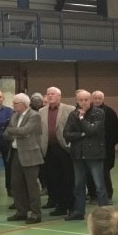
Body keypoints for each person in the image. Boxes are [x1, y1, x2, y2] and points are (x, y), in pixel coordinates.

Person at [64, 90, 109, 221]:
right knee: (78, 185)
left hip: (94, 155)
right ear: (77, 101)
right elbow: (66, 134)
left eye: (86, 100)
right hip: (78, 155)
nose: (83, 103)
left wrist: (82, 118)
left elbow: (92, 130)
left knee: (99, 186)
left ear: (91, 100)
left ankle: (104, 214)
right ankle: (79, 211)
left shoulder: (98, 113)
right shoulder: (73, 114)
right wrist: (81, 134)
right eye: (81, 100)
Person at [4, 93, 44, 224]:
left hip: (30, 155)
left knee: (32, 186)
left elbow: (25, 131)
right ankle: (21, 211)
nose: (13, 105)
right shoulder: (14, 116)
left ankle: (36, 213)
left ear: (23, 104)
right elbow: (6, 133)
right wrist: (16, 131)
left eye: (15, 103)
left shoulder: (34, 115)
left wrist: (13, 130)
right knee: (16, 184)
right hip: (16, 153)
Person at [40, 87, 75, 216]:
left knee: (68, 179)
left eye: (53, 94)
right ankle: (60, 206)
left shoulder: (70, 109)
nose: (50, 96)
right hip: (49, 149)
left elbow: (74, 127)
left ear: (59, 96)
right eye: (48, 94)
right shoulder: (41, 111)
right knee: (53, 179)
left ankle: (72, 206)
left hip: (64, 148)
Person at [90, 90, 118, 202]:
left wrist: (107, 146)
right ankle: (93, 195)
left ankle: (108, 195)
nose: (97, 100)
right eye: (95, 98)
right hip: (90, 149)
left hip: (106, 149)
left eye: (100, 98)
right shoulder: (87, 112)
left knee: (104, 173)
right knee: (90, 173)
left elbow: (115, 132)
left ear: (103, 99)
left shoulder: (110, 112)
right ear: (92, 99)